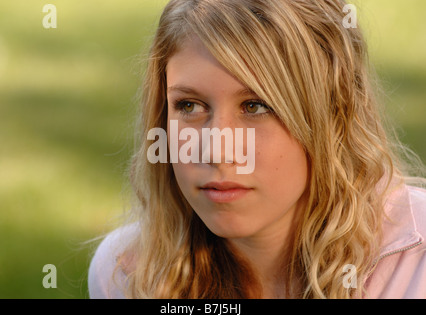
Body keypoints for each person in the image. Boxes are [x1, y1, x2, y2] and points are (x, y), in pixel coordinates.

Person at [88, 0, 426, 299]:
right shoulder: (130, 274)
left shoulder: (414, 267)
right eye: (189, 106)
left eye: (256, 106)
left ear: (333, 116)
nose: (216, 152)